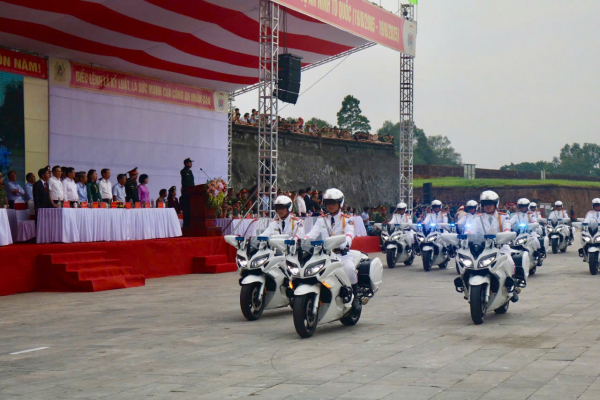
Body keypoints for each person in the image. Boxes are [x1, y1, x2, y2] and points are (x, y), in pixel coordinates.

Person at [304, 188, 359, 308]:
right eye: (328, 203)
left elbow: (350, 234)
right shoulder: (321, 219)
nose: (330, 206)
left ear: (340, 203)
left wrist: (344, 242)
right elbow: (312, 233)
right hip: (325, 254)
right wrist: (302, 240)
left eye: (333, 203)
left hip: (342, 254)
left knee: (349, 269)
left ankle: (355, 297)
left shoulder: (347, 219)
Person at [465, 190, 520, 301]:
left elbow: (507, 228)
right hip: (482, 248)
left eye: (490, 204)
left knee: (509, 260)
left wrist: (506, 234)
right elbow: (471, 230)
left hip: (500, 246)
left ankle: (511, 287)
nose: (487, 206)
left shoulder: (503, 217)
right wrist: (465, 236)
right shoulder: (478, 218)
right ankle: (465, 284)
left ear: (496, 204)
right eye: (485, 204)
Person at [180, 158, 195, 227]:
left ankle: (190, 223)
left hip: (191, 193)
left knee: (191, 209)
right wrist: (187, 167)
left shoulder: (190, 172)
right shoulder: (183, 171)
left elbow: (192, 182)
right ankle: (186, 224)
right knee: (186, 209)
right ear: (186, 163)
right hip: (186, 193)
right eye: (190, 163)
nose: (191, 164)